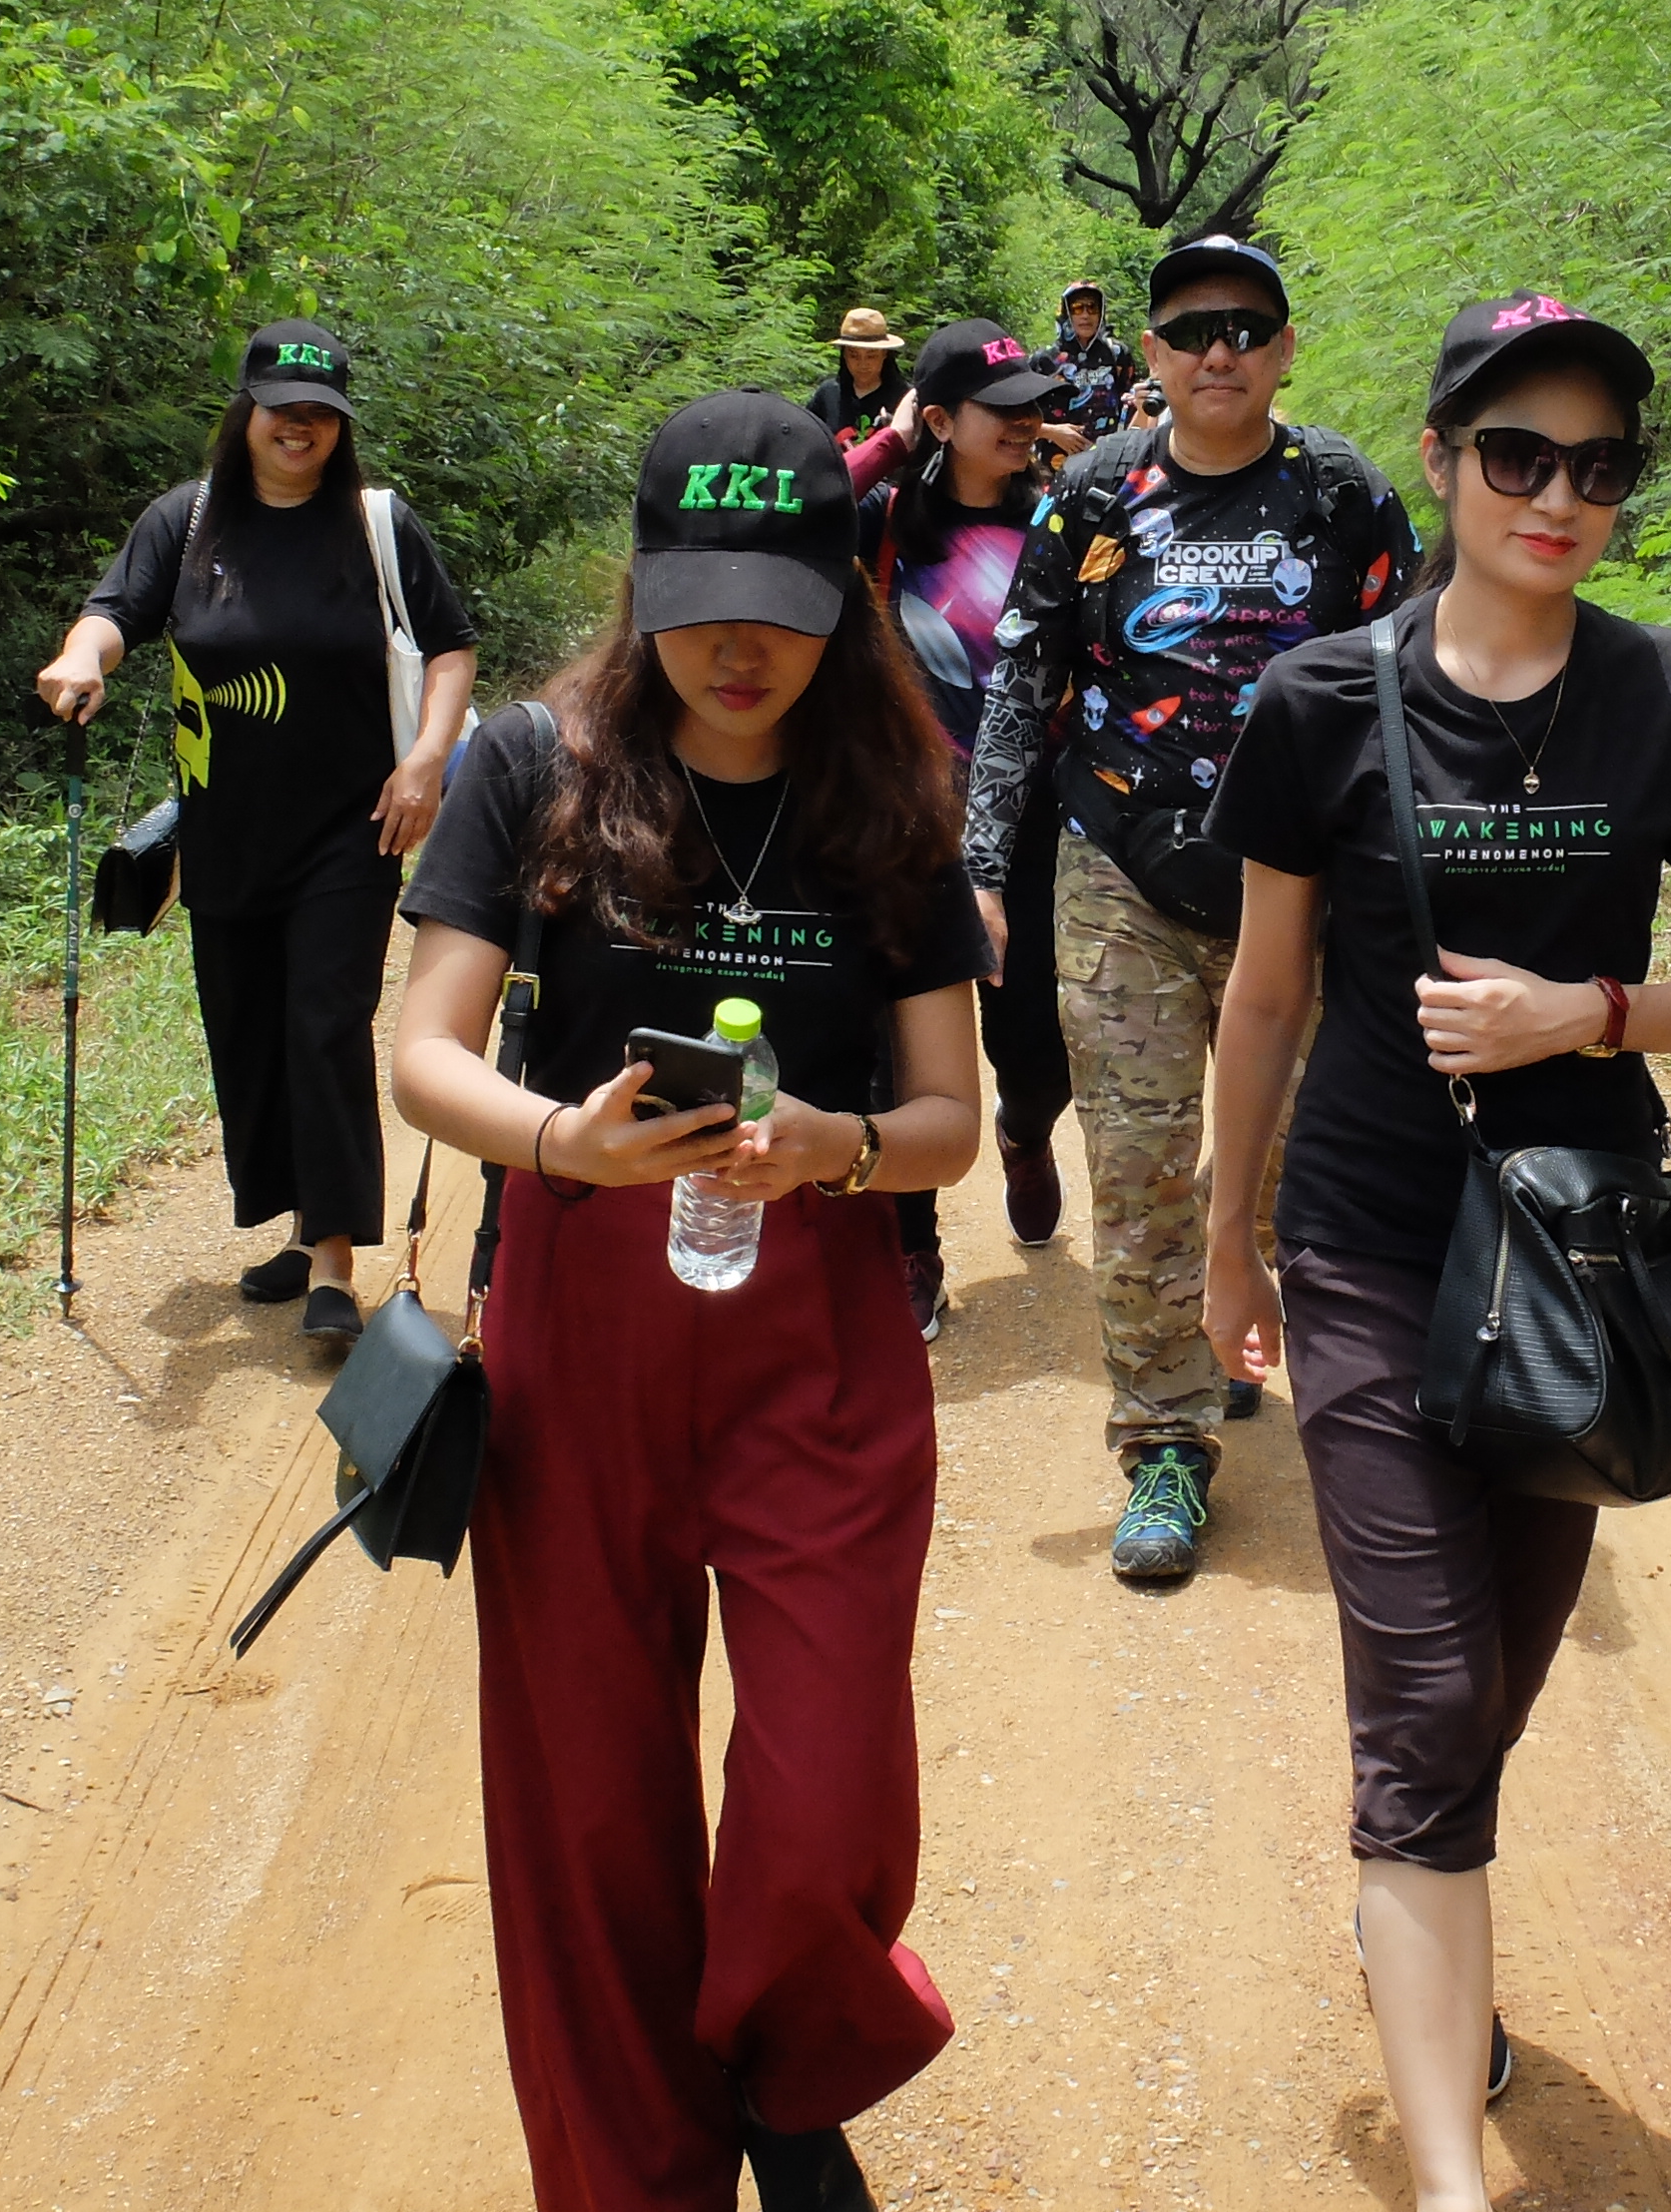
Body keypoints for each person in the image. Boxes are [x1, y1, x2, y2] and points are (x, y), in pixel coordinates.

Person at [1203, 290, 1671, 2212]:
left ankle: (1415, 1885)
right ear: (1443, 460)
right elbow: (1269, 996)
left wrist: (1583, 1016)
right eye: (1518, 454)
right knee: (1437, 1693)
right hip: (1371, 1237)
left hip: (1580, 1265)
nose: (1558, 494)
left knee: (1497, 1676)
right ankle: (1458, 2179)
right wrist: (1228, 1240)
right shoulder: (1314, 701)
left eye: (1598, 464)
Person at [391, 388, 987, 2212]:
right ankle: (637, 2172)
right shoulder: (530, 764)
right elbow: (423, 1054)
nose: (743, 646)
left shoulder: (888, 794)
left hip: (819, 1326)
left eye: (788, 604)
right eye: (705, 598)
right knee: (589, 1807)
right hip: (583, 1319)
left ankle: (791, 2067)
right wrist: (562, 1143)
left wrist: (839, 1147)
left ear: (847, 598)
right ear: (642, 585)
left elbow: (952, 1123)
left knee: (825, 1787)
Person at [963, 232, 1417, 1584]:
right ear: (1149, 356)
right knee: (1143, 1153)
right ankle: (1161, 1436)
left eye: (1247, 328)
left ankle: (1248, 1330)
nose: (1219, 350)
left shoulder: (1341, 493)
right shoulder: (1098, 492)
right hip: (1120, 861)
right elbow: (1022, 667)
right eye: (1192, 329)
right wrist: (985, 861)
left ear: (1284, 349)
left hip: (1299, 882)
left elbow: (1417, 680)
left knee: (1282, 1163)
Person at [35, 321, 475, 1343]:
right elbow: (114, 613)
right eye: (283, 408)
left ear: (340, 426)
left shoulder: (375, 525)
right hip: (223, 829)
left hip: (350, 826)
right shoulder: (185, 524)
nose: (301, 427)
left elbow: (450, 650)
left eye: (321, 413)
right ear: (245, 411)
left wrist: (423, 762)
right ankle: (294, 1221)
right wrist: (82, 656)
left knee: (322, 1024)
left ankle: (331, 1265)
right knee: (251, 1034)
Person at [836, 318, 1081, 1328]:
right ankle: (913, 1249)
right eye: (1003, 409)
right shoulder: (887, 515)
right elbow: (789, 513)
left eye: (1034, 405)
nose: (1027, 423)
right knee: (897, 1044)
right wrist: (890, 443)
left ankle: (1025, 1133)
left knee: (1032, 1040)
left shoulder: (1060, 519)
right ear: (939, 418)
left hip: (1029, 812)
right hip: (903, 813)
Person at [1033, 278, 1141, 439]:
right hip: (1055, 457)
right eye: (1077, 308)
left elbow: (1133, 404)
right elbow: (1017, 415)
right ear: (1066, 312)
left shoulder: (1116, 353)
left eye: (1092, 308)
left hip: (1106, 455)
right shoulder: (1045, 359)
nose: (1085, 315)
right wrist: (1051, 431)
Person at [808, 305, 904, 447]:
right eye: (854, 355)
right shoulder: (828, 394)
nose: (862, 364)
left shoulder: (904, 398)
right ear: (844, 355)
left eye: (871, 356)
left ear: (884, 354)